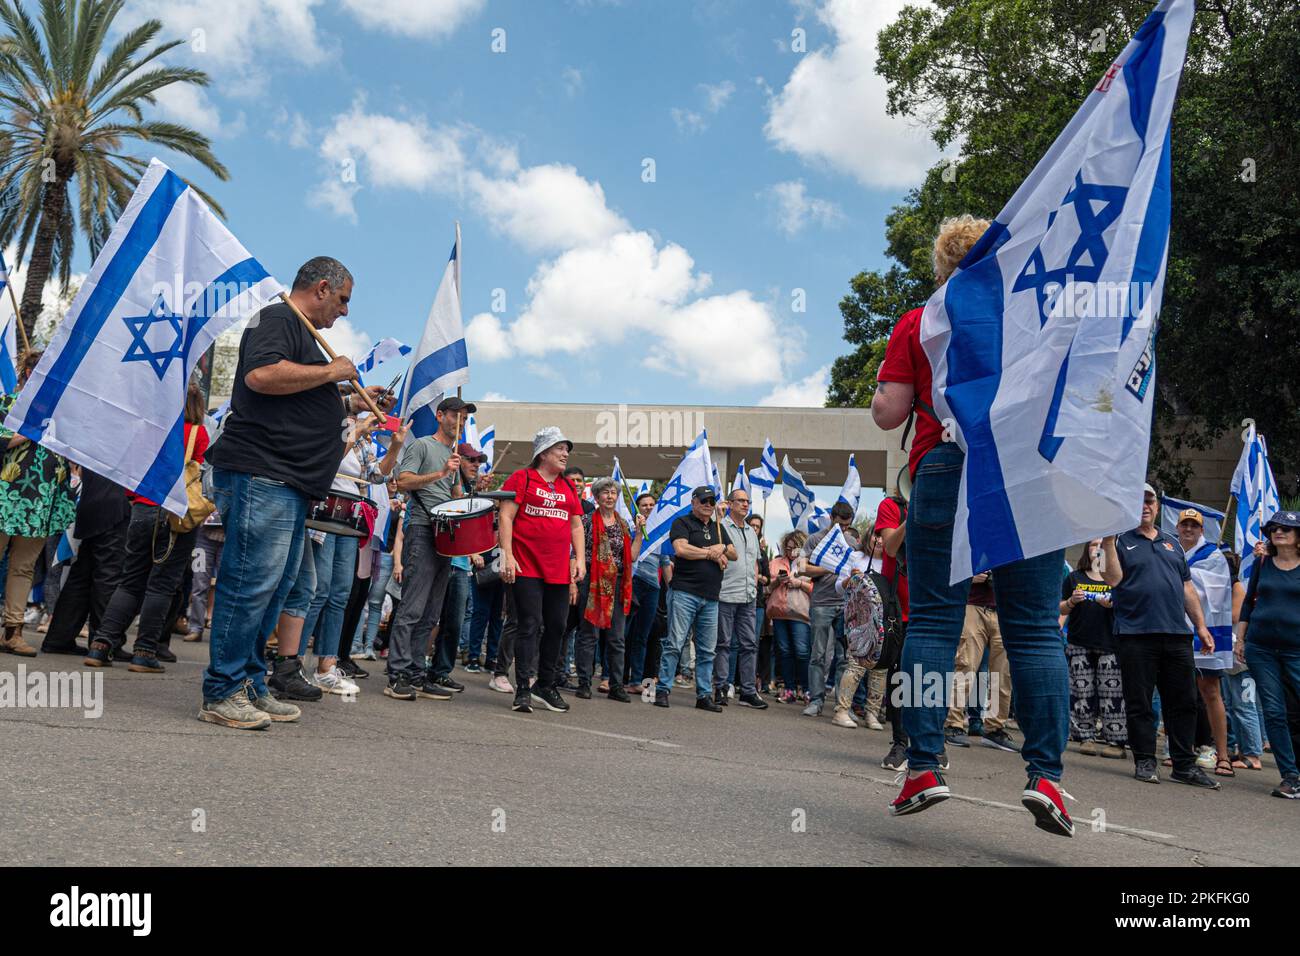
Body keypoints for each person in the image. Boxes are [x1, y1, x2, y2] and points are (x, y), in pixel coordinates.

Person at [872, 214, 1073, 835]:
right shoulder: (1036, 312)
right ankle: (1047, 778)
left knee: (933, 618)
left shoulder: (922, 319)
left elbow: (889, 414)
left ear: (942, 266)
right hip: (1026, 472)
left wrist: (887, 388)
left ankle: (925, 765)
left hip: (945, 466)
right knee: (1036, 629)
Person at [201, 256, 390, 730]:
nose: (344, 311)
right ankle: (221, 689)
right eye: (343, 299)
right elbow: (261, 376)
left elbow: (296, 394)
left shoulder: (302, 333)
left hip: (289, 484)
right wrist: (331, 373)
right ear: (322, 288)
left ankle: (249, 682)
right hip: (262, 475)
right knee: (251, 584)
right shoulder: (277, 317)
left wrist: (343, 399)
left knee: (280, 588)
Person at [83, 384, 209, 672]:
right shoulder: (196, 433)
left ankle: (102, 645)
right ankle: (145, 650)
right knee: (161, 585)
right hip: (175, 513)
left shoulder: (148, 430)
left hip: (141, 508)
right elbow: (198, 474)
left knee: (129, 580)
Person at [1106, 484, 1220, 789]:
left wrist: (1201, 627)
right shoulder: (1119, 542)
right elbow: (1113, 579)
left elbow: (1187, 588)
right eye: (1138, 501)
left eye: (1149, 500)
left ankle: (1184, 765)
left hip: (1176, 635)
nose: (1144, 506)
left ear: (1157, 507)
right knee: (1140, 702)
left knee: (1183, 702)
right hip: (1136, 635)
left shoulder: (1172, 544)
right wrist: (1106, 539)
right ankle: (1145, 760)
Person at [383, 396, 474, 700]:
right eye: (455, 415)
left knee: (431, 612)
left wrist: (458, 483)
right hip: (423, 527)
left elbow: (456, 497)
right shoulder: (422, 445)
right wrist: (441, 473)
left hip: (446, 535)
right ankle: (396, 674)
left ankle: (415, 672)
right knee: (412, 606)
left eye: (463, 417)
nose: (459, 421)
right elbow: (402, 480)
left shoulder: (454, 454)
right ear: (440, 415)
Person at [498, 427, 586, 714]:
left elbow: (576, 525)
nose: (565, 454)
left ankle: (545, 686)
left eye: (566, 450)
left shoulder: (567, 487)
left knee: (558, 626)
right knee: (529, 624)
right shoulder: (522, 478)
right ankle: (523, 688)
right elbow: (506, 516)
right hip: (526, 567)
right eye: (560, 448)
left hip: (558, 570)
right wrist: (507, 555)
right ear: (543, 452)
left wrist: (580, 559)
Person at [0, 350, 77, 657]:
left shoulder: (60, 413)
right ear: (30, 373)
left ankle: (13, 631)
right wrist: (26, 431)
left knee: (24, 567)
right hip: (6, 500)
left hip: (41, 504)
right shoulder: (6, 404)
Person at [1236, 509, 1300, 798]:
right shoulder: (1263, 564)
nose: (1279, 532)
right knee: (1274, 712)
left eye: (1286, 528)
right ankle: (1290, 775)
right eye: (1274, 528)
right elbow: (1249, 602)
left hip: (1296, 650)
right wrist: (1241, 638)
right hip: (1261, 649)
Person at [655, 486, 735, 711]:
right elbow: (681, 549)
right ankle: (662, 689)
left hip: (711, 597)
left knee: (707, 649)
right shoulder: (682, 523)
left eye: (711, 501)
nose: (708, 504)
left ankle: (704, 695)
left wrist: (721, 548)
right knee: (675, 643)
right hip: (684, 593)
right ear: (694, 502)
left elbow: (734, 552)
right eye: (704, 500)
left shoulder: (718, 526)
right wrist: (712, 552)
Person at [39, 467, 130, 656]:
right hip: (113, 502)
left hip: (91, 500)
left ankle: (59, 637)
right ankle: (103, 641)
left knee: (81, 575)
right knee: (107, 575)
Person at [1176, 508, 1236, 778]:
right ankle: (1182, 748)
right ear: (1177, 528)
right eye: (1184, 525)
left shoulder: (1212, 555)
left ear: (1202, 530)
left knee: (1210, 690)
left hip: (1206, 630)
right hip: (1176, 629)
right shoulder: (1171, 550)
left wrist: (1185, 576)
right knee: (1179, 691)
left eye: (1194, 525)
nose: (1189, 529)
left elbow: (1214, 588)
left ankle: (1222, 754)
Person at [574, 477, 644, 702]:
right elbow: (576, 552)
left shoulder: (623, 523)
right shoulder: (586, 521)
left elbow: (631, 557)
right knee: (588, 635)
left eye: (613, 492)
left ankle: (616, 685)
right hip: (592, 582)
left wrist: (640, 532)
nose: (610, 496)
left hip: (618, 583)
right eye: (605, 492)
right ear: (596, 496)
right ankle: (584, 682)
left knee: (617, 638)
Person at [1061, 539, 1126, 758]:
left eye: (1101, 545)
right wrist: (1071, 601)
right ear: (1086, 550)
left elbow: (1130, 607)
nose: (1097, 549)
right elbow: (1060, 607)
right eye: (1092, 545)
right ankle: (1084, 737)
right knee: (1082, 692)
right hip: (1079, 642)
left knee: (1112, 693)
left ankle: (1115, 741)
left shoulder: (1117, 579)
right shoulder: (1074, 577)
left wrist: (1113, 605)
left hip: (1110, 643)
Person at [942, 568, 1017, 752]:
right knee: (966, 666)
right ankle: (953, 724)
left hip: (1004, 609)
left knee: (1003, 673)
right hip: (972, 605)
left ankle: (994, 728)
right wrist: (969, 577)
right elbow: (950, 568)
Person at [800, 501, 854, 718]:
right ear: (832, 518)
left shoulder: (851, 542)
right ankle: (816, 700)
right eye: (840, 525)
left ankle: (843, 705)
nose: (843, 530)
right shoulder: (814, 539)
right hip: (821, 603)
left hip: (846, 604)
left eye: (847, 526)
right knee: (818, 655)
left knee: (845, 657)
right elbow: (802, 568)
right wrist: (829, 566)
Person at [716, 487, 766, 708]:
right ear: (730, 503)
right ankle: (720, 687)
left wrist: (754, 587)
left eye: (747, 501)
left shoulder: (752, 532)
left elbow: (754, 563)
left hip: (748, 597)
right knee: (723, 644)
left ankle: (747, 691)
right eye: (740, 501)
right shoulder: (721, 527)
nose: (745, 504)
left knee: (749, 645)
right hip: (725, 594)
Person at [1220, 549, 1263, 771]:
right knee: (1233, 705)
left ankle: (1253, 753)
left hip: (1241, 657)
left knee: (1245, 706)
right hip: (1230, 656)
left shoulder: (1237, 588)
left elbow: (1235, 616)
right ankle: (1243, 749)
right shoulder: (1226, 587)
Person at [625, 491, 671, 693]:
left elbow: (666, 562)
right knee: (623, 634)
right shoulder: (630, 529)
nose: (649, 508)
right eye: (644, 505)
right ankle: (613, 678)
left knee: (643, 636)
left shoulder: (660, 533)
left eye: (652, 504)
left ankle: (637, 681)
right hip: (633, 583)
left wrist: (673, 589)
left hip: (653, 588)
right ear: (637, 508)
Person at [768, 530, 812, 703]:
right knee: (784, 652)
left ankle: (807, 689)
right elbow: (767, 589)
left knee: (802, 652)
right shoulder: (776, 562)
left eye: (794, 548)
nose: (790, 550)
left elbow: (814, 589)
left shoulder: (806, 564)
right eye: (788, 547)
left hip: (800, 613)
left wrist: (798, 583)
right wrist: (778, 581)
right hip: (779, 612)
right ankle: (789, 689)